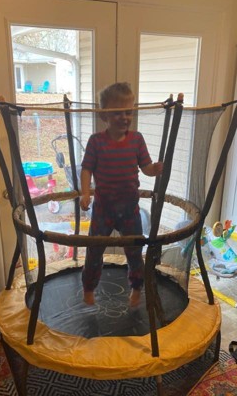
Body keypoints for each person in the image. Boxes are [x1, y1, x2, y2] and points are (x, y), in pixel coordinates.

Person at [80, 82, 163, 307]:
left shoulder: (137, 139)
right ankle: (89, 288)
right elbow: (86, 169)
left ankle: (136, 288)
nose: (125, 117)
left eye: (129, 112)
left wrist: (154, 170)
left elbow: (145, 167)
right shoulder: (96, 141)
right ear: (104, 116)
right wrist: (85, 193)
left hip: (129, 208)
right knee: (94, 251)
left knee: (135, 251)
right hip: (103, 208)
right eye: (118, 113)